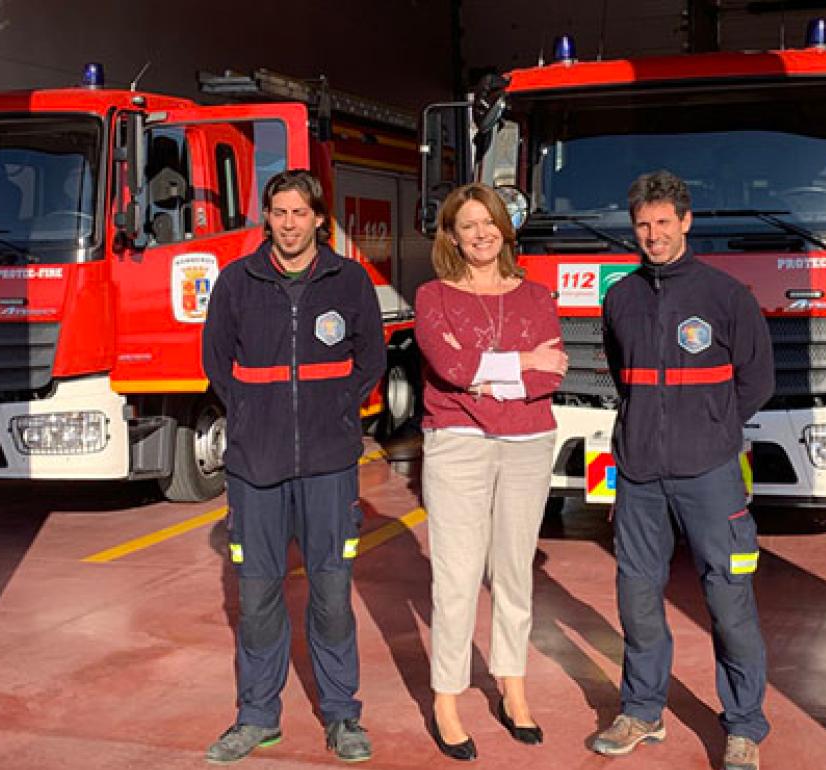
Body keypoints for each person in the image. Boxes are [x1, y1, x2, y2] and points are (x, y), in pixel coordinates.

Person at [201, 169, 386, 764]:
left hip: (330, 464)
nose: (288, 224)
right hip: (256, 465)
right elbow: (216, 360)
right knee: (257, 596)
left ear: (317, 219)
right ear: (267, 218)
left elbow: (372, 356)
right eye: (279, 213)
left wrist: (335, 410)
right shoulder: (238, 281)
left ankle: (341, 715)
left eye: (299, 213)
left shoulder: (348, 279)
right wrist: (254, 414)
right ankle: (257, 717)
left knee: (331, 591)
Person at [592, 170, 775, 770]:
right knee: (637, 601)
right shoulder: (620, 297)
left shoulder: (727, 297)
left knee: (728, 602)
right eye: (643, 225)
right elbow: (623, 376)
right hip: (640, 475)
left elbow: (757, 381)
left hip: (710, 475)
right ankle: (643, 711)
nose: (653, 235)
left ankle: (744, 726)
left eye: (664, 223)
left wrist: (713, 428)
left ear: (686, 222)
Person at [414, 183, 569, 761]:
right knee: (455, 580)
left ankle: (513, 687)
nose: (480, 234)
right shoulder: (433, 296)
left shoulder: (536, 295)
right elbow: (449, 366)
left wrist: (484, 374)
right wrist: (521, 361)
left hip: (529, 442)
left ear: (506, 229)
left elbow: (551, 376)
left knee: (514, 575)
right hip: (457, 443)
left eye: (489, 223)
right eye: (467, 225)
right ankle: (447, 699)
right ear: (451, 235)